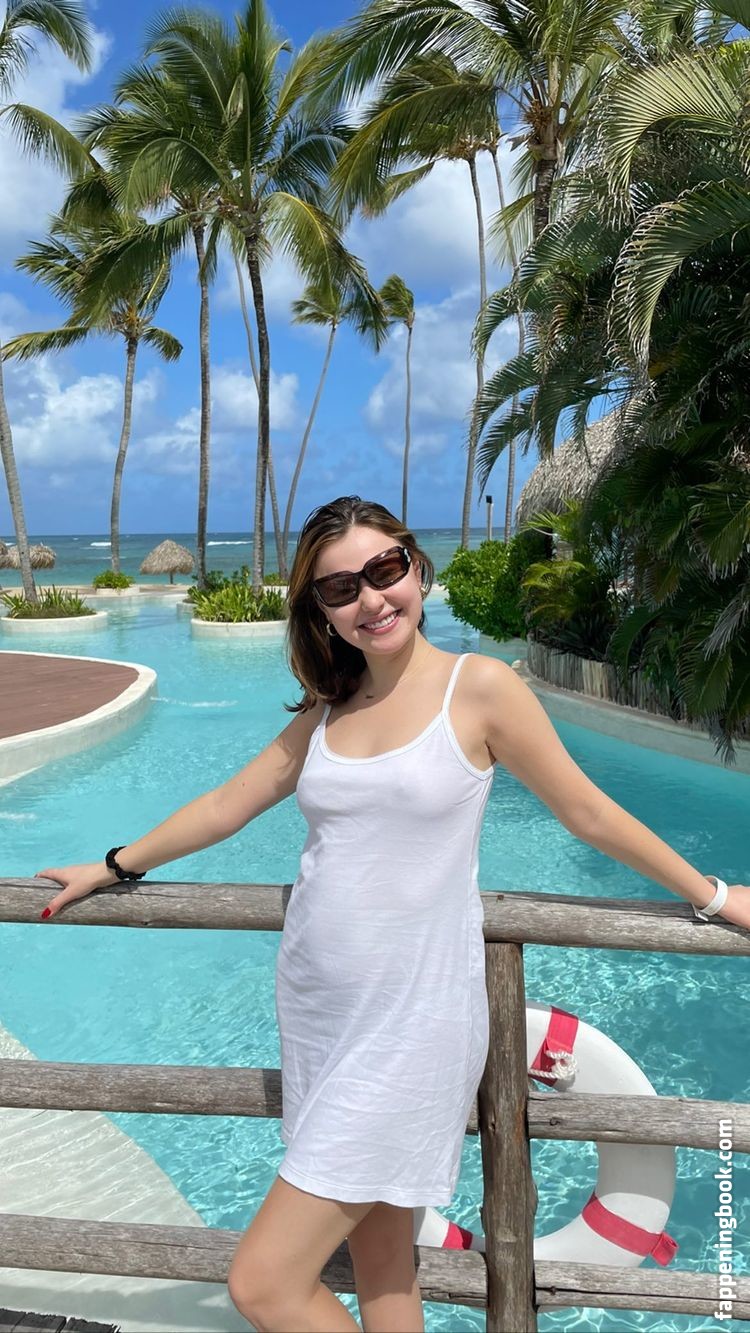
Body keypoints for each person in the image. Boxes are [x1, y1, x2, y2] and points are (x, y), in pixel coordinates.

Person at [35, 495, 750, 1333]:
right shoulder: (329, 710)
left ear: (415, 565)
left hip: (413, 1026)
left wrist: (714, 895)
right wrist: (114, 863)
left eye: (384, 570)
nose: (371, 599)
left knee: (264, 1283)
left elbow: (586, 812)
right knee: (385, 1272)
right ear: (321, 611)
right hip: (322, 1017)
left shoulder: (479, 688)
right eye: (342, 588)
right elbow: (230, 802)